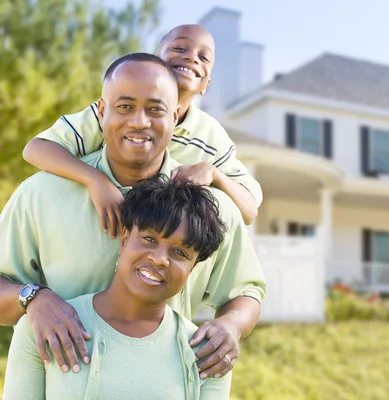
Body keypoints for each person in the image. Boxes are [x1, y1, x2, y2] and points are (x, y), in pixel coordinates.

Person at [0, 53, 265, 381]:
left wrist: (231, 326)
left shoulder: (212, 209)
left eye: (155, 109)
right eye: (125, 106)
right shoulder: (41, 194)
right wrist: (34, 299)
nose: (140, 122)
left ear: (176, 114)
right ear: (101, 111)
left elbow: (246, 291)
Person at [22, 24, 261, 239]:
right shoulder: (113, 113)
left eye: (203, 57)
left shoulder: (211, 137)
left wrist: (213, 174)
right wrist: (95, 180)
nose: (191, 58)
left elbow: (249, 211)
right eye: (179, 48)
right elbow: (36, 149)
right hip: (94, 230)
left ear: (206, 84)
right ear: (155, 60)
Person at [3, 176, 232, 400]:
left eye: (180, 253)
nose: (160, 259)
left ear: (191, 269)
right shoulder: (46, 326)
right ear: (124, 240)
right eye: (149, 239)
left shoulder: (207, 353)